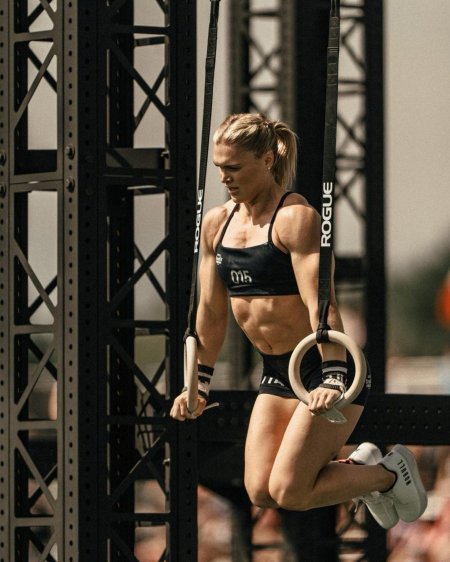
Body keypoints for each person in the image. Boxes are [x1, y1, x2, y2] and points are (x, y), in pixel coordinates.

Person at [170, 113, 427, 529]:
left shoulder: (295, 218)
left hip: (320, 364)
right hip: (277, 371)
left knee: (290, 490)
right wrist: (197, 384)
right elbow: (212, 313)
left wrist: (333, 377)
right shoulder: (217, 224)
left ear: (267, 160)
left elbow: (321, 306)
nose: (224, 178)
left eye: (234, 167)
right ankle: (364, 469)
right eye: (219, 167)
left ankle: (388, 474)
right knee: (259, 490)